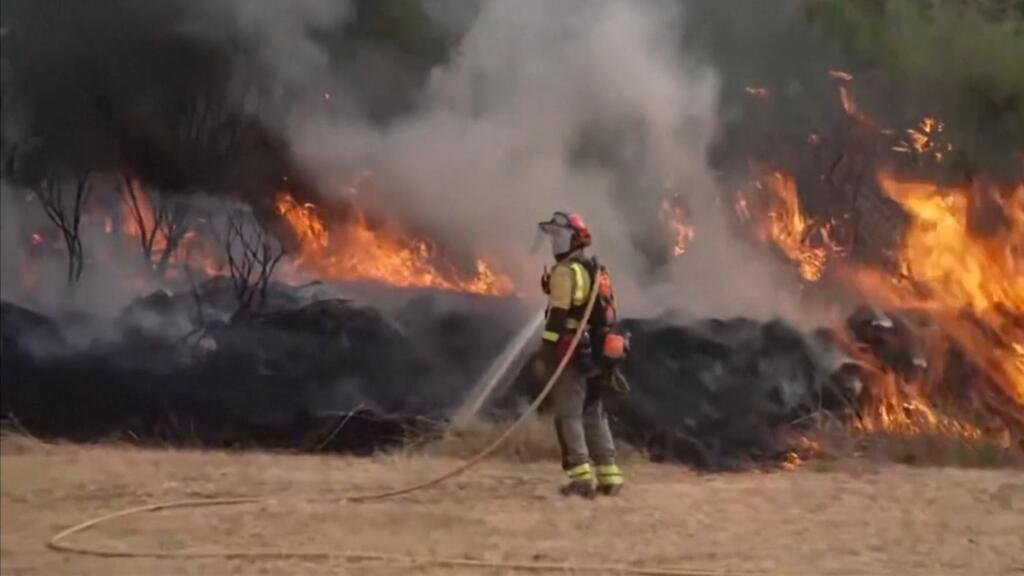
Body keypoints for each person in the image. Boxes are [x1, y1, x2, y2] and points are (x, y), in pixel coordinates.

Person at [534, 211, 626, 498]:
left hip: (572, 352)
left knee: (568, 415)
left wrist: (546, 351)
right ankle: (609, 475)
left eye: (556, 237)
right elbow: (607, 310)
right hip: (598, 351)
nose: (553, 243)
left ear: (567, 239)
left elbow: (557, 317)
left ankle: (581, 478)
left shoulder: (565, 272)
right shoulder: (595, 269)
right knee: (593, 412)